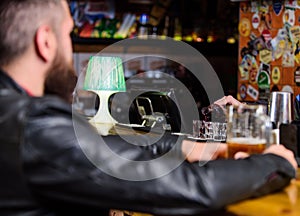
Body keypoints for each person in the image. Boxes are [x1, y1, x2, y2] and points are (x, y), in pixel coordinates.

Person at [0, 0, 297, 215]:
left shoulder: (13, 112)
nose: (69, 44)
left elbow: (94, 147)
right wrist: (273, 162)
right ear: (46, 41)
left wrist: (187, 148)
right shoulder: (32, 125)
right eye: (67, 33)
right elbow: (189, 189)